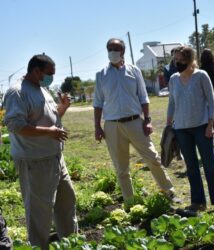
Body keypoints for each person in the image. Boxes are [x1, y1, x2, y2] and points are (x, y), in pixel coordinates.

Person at [3, 54, 77, 249]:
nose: (51, 78)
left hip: (55, 158)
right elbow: (14, 125)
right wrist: (49, 132)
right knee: (39, 214)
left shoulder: (42, 89)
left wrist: (63, 107)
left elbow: (48, 118)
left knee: (66, 203)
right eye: (49, 74)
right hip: (35, 161)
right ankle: (38, 246)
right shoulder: (17, 92)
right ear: (36, 71)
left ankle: (71, 244)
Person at [93, 38, 179, 206]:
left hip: (135, 122)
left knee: (153, 158)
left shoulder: (134, 71)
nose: (112, 52)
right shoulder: (101, 75)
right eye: (109, 48)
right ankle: (130, 202)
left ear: (123, 52)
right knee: (121, 167)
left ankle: (169, 192)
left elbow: (143, 97)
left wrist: (147, 120)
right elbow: (97, 103)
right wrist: (97, 127)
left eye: (116, 49)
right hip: (112, 125)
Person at [167, 46, 214, 213]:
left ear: (189, 59)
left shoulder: (201, 75)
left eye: (180, 59)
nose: (177, 62)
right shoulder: (173, 79)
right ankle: (198, 202)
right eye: (175, 60)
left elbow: (212, 101)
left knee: (209, 165)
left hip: (202, 127)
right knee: (191, 166)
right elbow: (172, 102)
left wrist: (210, 125)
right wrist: (168, 124)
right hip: (181, 129)